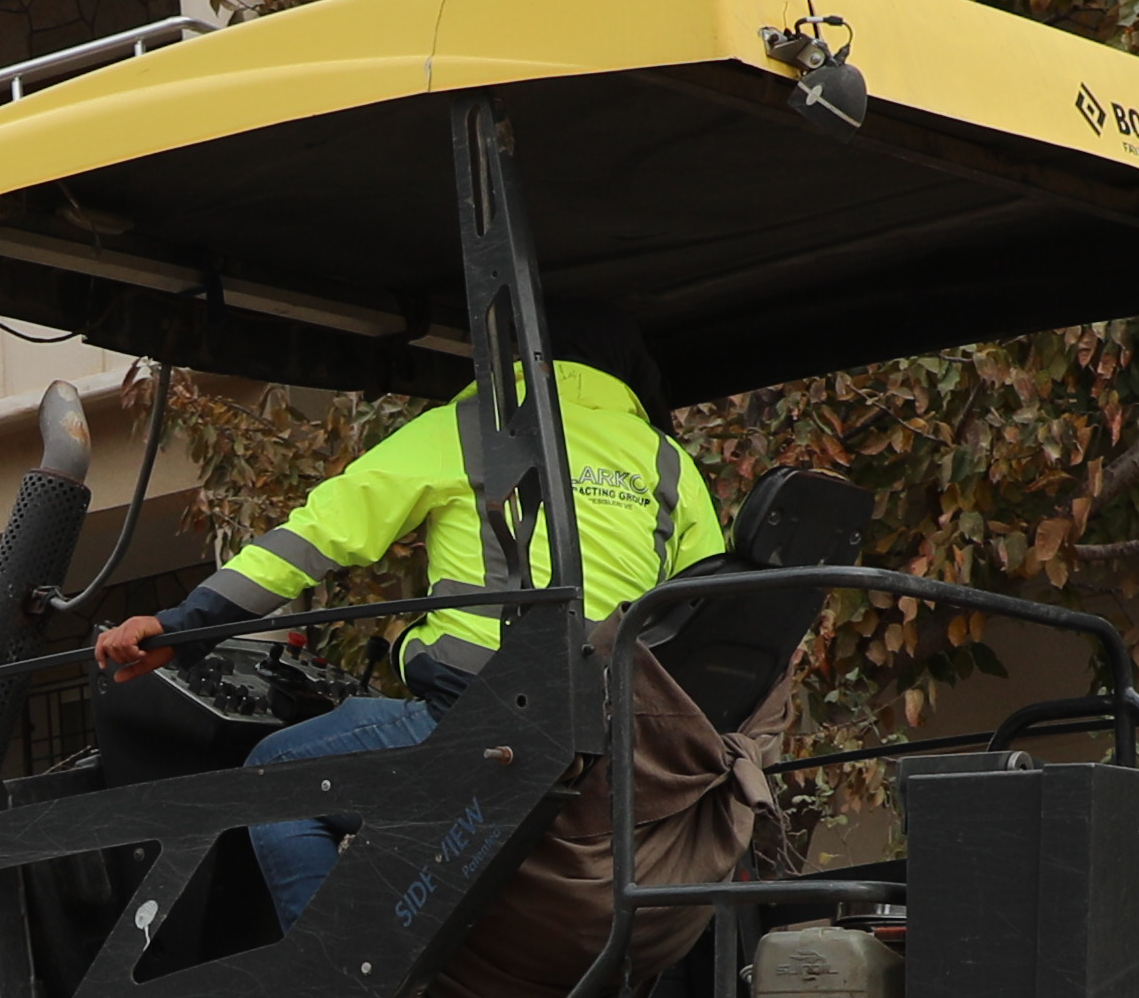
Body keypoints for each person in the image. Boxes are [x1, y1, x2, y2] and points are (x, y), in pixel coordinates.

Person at [92, 337, 721, 921]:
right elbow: (704, 610)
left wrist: (184, 625)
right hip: (618, 734)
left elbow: (316, 536)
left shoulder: (471, 428)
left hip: (480, 712)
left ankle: (329, 993)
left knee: (278, 781)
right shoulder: (669, 463)